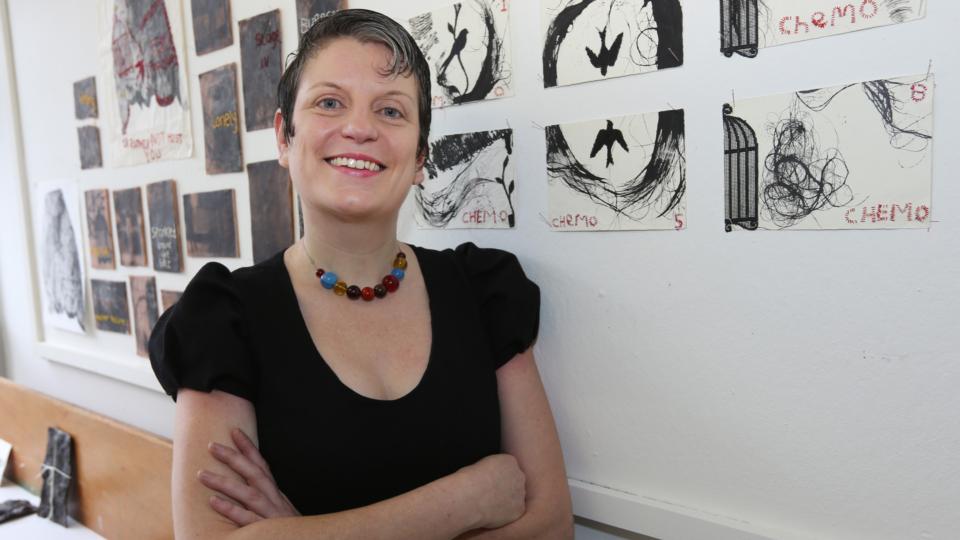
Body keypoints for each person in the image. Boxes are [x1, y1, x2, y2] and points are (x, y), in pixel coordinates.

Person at [148, 8, 572, 539]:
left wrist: (303, 532)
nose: (359, 128)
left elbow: (551, 527)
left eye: (391, 111)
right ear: (284, 136)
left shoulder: (482, 291)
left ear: (420, 158)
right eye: (329, 103)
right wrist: (464, 501)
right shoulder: (224, 321)